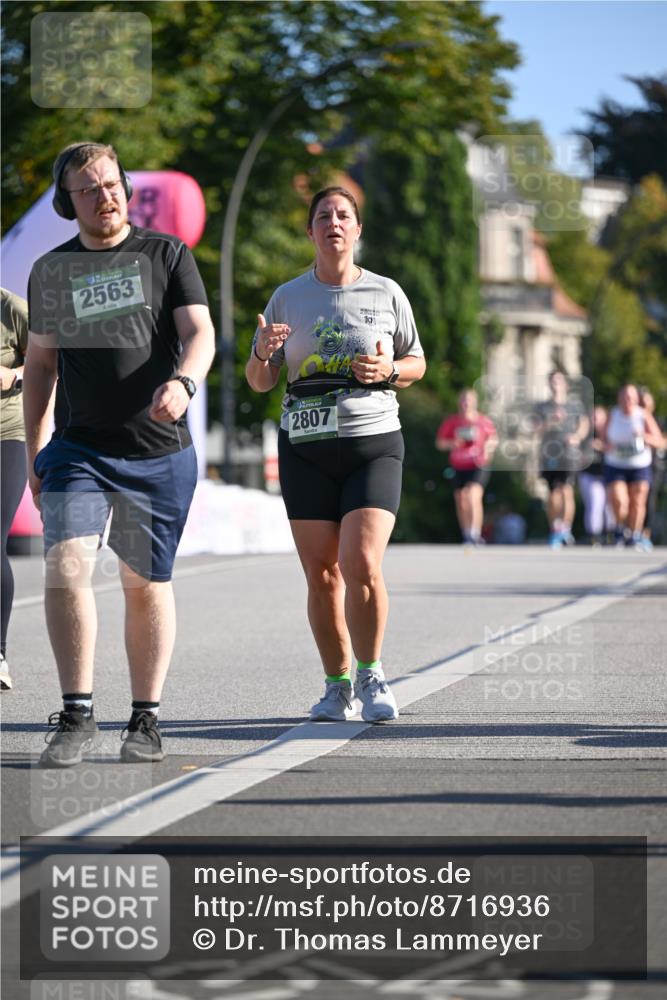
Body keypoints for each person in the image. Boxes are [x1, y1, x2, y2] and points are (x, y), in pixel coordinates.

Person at [24, 142, 215, 767]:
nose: (104, 196)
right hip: (79, 449)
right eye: (88, 189)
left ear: (125, 187)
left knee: (142, 583)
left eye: (111, 184)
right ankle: (77, 714)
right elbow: (42, 365)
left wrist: (184, 383)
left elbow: (199, 333)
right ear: (66, 203)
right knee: (68, 565)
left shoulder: (166, 254)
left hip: (159, 452)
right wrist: (35, 449)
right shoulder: (53, 271)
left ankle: (145, 719)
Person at [246, 186, 425, 724]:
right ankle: (336, 685)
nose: (333, 223)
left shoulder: (386, 292)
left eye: (343, 215)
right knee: (322, 575)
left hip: (372, 442)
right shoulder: (288, 297)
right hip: (305, 448)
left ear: (358, 229)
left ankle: (371, 673)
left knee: (361, 563)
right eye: (323, 216)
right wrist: (262, 353)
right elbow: (259, 382)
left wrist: (390, 371)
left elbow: (416, 361)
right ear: (310, 231)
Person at [1, 288, 30, 691]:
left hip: (7, 434)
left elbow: (51, 361)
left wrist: (14, 375)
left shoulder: (12, 309)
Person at [602, 384, 663, 550]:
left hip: (639, 464)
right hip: (616, 464)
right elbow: (602, 440)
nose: (627, 401)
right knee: (620, 500)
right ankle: (620, 528)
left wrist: (644, 436)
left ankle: (635, 533)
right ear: (618, 398)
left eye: (630, 397)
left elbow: (660, 441)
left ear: (636, 399)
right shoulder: (613, 415)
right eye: (624, 397)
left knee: (638, 500)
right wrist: (607, 446)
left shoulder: (643, 416)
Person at [534, 371, 590, 548]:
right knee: (553, 493)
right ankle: (555, 529)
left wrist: (577, 437)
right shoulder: (542, 407)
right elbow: (536, 429)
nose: (555, 384)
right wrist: (550, 421)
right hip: (549, 454)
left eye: (558, 381)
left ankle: (566, 529)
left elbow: (584, 423)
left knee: (566, 489)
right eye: (552, 381)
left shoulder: (575, 405)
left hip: (568, 454)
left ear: (565, 384)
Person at [435, 388, 497, 545]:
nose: (465, 403)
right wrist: (452, 443)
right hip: (458, 465)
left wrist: (488, 447)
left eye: (468, 400)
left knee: (473, 494)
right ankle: (466, 533)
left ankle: (475, 533)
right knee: (461, 499)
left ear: (475, 402)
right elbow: (440, 443)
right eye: (463, 400)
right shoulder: (452, 421)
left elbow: (494, 439)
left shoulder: (483, 421)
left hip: (478, 464)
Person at [577, 405, 615, 545]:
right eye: (593, 417)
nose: (595, 420)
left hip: (610, 474)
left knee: (610, 506)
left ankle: (611, 533)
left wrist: (604, 447)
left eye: (598, 416)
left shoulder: (612, 433)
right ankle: (594, 535)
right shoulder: (585, 434)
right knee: (595, 503)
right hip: (590, 475)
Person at [637, 386, 666, 548]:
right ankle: (631, 531)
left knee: (648, 500)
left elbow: (663, 442)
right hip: (632, 466)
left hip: (653, 467)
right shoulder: (631, 420)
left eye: (646, 402)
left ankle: (645, 533)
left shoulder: (658, 422)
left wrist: (647, 438)